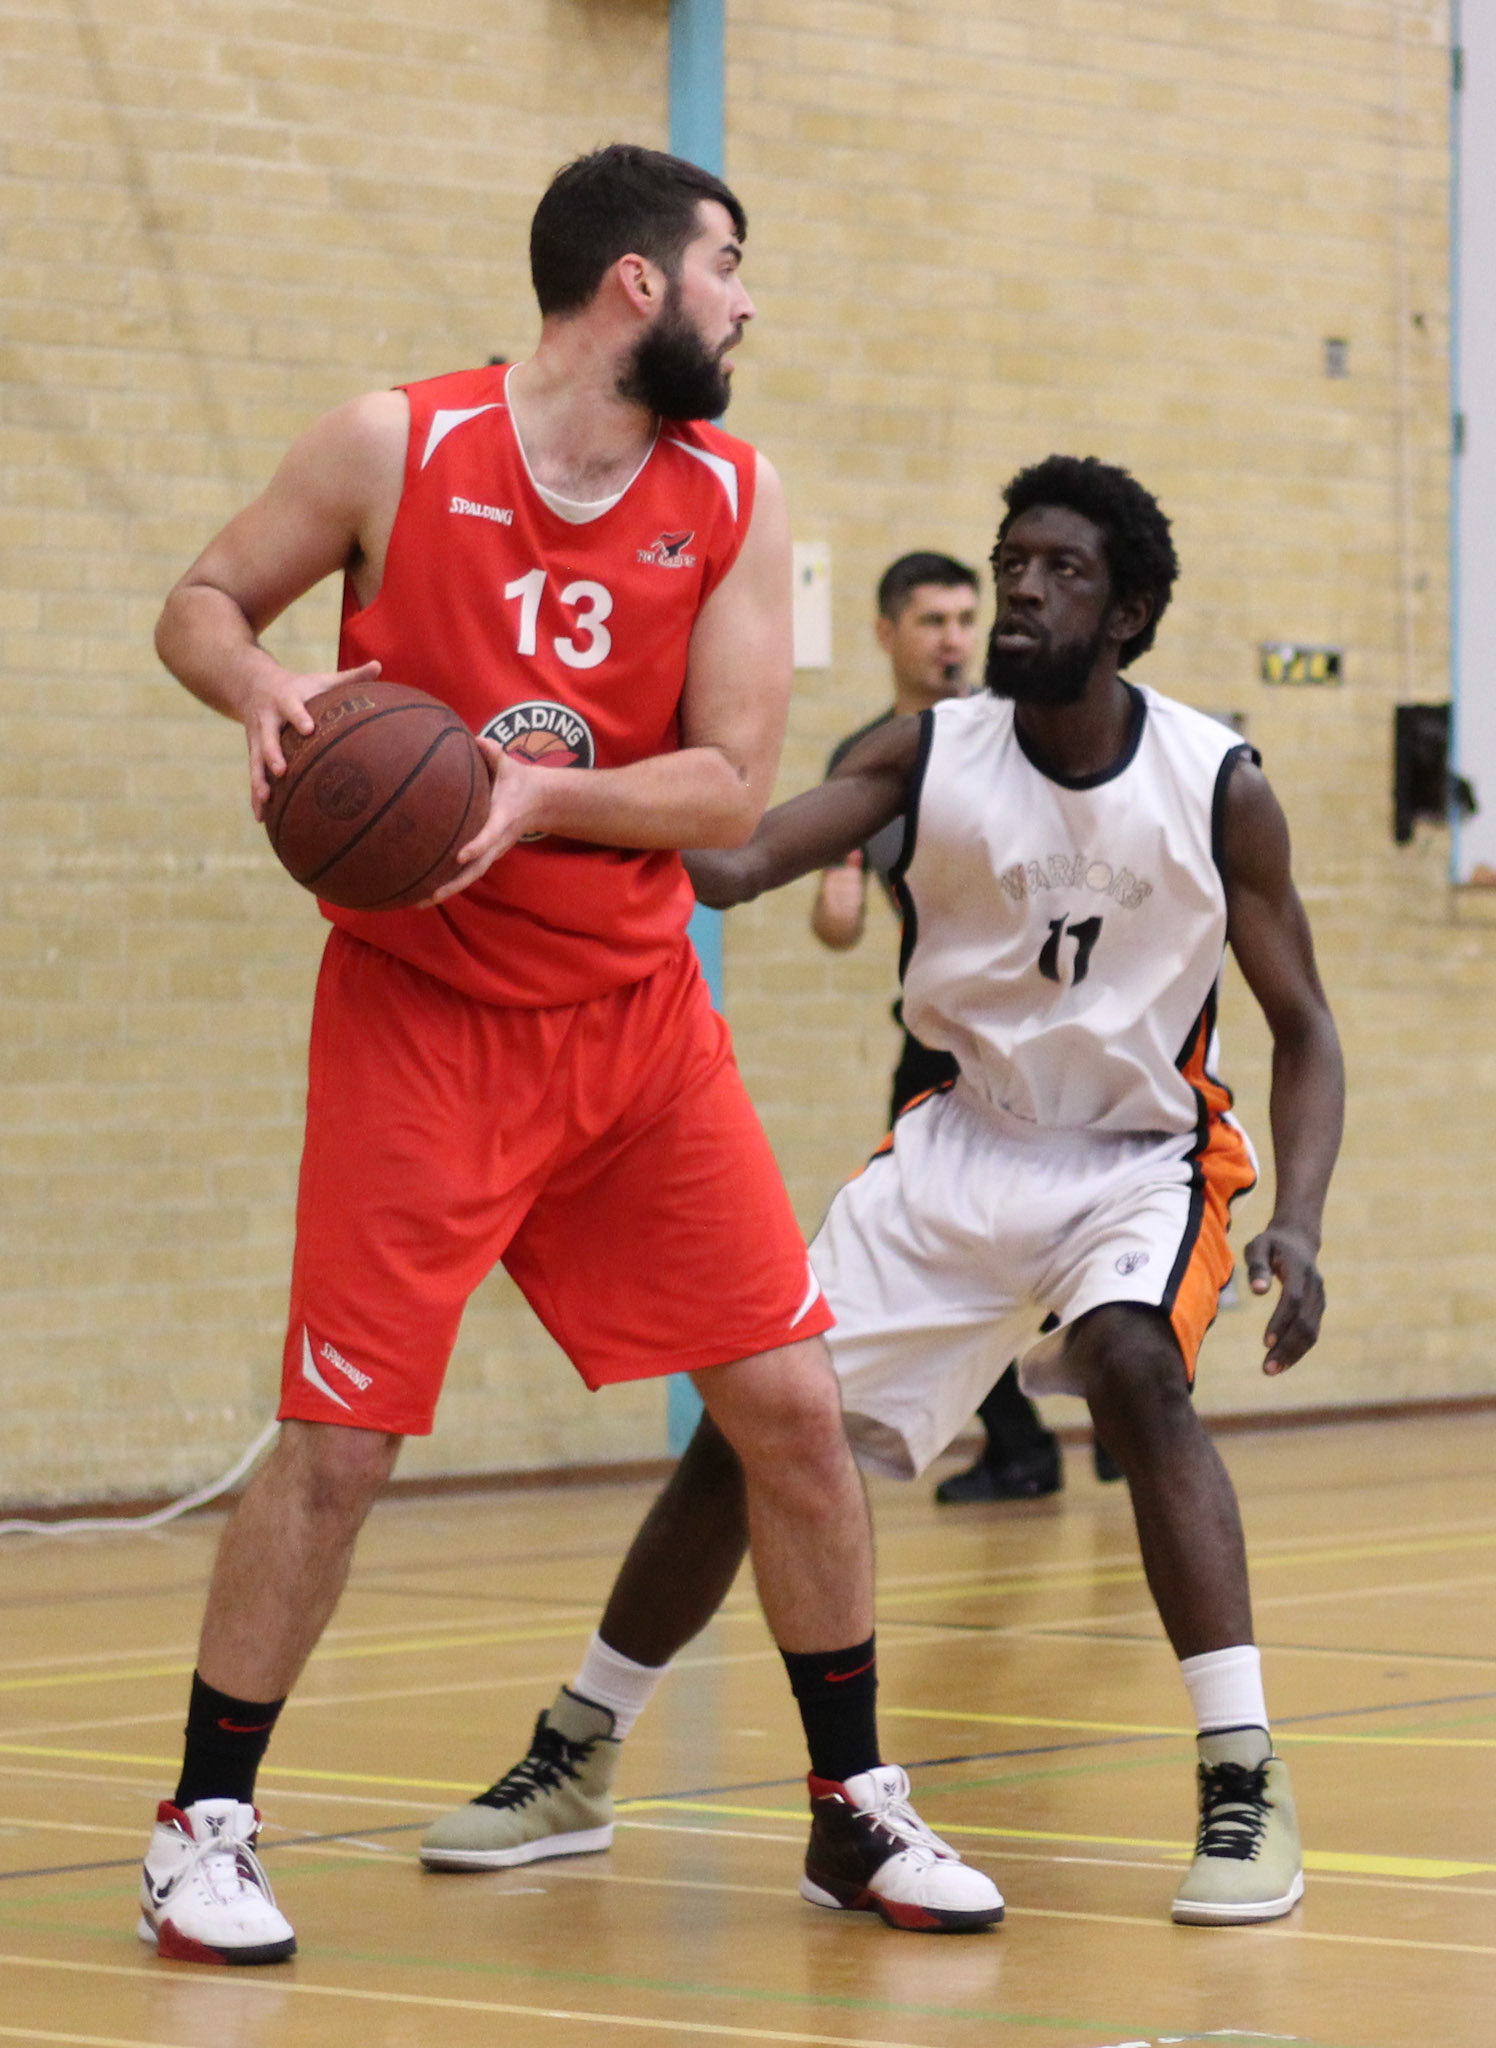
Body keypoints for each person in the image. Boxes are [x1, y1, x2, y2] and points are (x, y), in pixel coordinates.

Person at [141, 143, 1001, 1967]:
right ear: (637, 282)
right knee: (339, 1445)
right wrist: (264, 688)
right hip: (421, 1023)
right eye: (729, 265)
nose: (748, 303)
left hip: (633, 1030)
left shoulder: (732, 492)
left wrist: (534, 795)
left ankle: (852, 1803)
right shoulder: (395, 443)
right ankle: (201, 1826)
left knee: (793, 1411)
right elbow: (200, 602)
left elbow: (730, 784)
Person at [430, 455, 1344, 1928]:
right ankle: (577, 1751)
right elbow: (733, 863)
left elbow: (1304, 1027)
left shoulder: (1214, 781)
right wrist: (561, 782)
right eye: (1010, 563)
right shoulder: (925, 753)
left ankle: (1242, 1777)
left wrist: (1295, 1218)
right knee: (757, 1425)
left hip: (1139, 1152)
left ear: (1129, 613)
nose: (1020, 592)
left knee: (1133, 1365)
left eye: (1060, 571)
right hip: (959, 1142)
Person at [810, 551, 1072, 1503]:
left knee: (1072, 1225)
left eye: (967, 618)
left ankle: (1129, 1405)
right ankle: (1020, 1445)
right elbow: (837, 921)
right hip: (940, 1045)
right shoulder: (868, 757)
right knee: (936, 1240)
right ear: (888, 634)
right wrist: (837, 899)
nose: (954, 639)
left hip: (1048, 1037)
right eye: (932, 621)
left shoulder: (1020, 737)